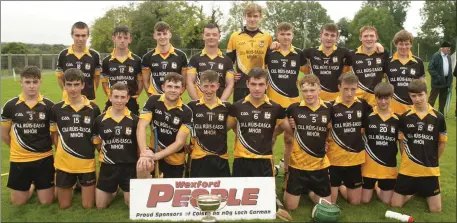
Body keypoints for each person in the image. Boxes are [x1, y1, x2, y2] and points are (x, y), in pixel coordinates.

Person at [1, 66, 55, 205]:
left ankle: (41, 184)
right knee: (18, 202)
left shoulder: (49, 106)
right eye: (28, 82)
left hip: (44, 158)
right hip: (19, 160)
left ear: (40, 82)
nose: (32, 86)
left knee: (47, 202)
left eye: (35, 82)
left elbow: (54, 134)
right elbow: (4, 135)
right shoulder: (11, 105)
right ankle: (32, 185)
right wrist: (19, 149)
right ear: (21, 82)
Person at [391, 79, 447, 213]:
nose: (417, 99)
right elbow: (401, 142)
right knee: (395, 205)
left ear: (426, 94)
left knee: (436, 210)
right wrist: (406, 158)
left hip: (429, 170)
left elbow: (442, 143)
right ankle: (413, 191)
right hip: (408, 169)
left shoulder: (438, 117)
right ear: (409, 96)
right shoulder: (404, 117)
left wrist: (434, 160)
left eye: (420, 95)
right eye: (413, 96)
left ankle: (420, 190)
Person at [227, 67, 293, 177]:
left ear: (267, 85)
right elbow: (223, 129)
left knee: (265, 194)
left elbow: (291, 131)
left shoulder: (276, 108)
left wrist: (273, 133)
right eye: (253, 84)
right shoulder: (237, 107)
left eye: (261, 84)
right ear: (247, 84)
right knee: (240, 194)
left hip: (264, 161)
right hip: (241, 160)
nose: (257, 88)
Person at [50, 68, 101, 209]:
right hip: (63, 164)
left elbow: (96, 137)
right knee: (64, 206)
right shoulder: (56, 109)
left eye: (76, 84)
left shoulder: (93, 109)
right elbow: (54, 136)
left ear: (83, 85)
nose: (73, 89)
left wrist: (102, 155)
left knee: (88, 206)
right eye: (69, 84)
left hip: (86, 164)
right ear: (64, 85)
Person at [265, 21, 306, 184]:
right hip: (273, 105)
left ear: (292, 36)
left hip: (292, 104)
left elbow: (309, 72)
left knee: (290, 139)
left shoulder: (299, 54)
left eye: (288, 34)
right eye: (282, 34)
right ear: (277, 35)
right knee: (270, 138)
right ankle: (269, 170)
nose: (285, 37)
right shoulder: (270, 53)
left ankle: (288, 170)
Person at [283, 74, 332, 210]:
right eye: (305, 91)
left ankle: (310, 191)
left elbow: (330, 130)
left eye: (312, 90)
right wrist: (290, 125)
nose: (309, 94)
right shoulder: (293, 108)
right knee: (291, 207)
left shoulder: (328, 108)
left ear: (319, 90)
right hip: (298, 166)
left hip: (319, 166)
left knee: (327, 206)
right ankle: (290, 183)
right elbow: (283, 125)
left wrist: (326, 142)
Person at [327, 71, 371, 205]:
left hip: (354, 159)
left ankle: (342, 186)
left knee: (355, 202)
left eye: (353, 89)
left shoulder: (363, 105)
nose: (349, 93)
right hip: (334, 159)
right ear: (339, 87)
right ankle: (337, 185)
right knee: (331, 203)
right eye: (346, 89)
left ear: (357, 88)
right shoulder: (330, 106)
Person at [136, 73, 192, 178]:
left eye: (177, 87)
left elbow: (180, 143)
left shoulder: (186, 111)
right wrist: (144, 153)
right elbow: (141, 127)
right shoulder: (153, 101)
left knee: (172, 191)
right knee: (142, 165)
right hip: (154, 149)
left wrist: (156, 156)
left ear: (182, 90)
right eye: (169, 86)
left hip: (174, 158)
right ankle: (145, 191)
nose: (173, 90)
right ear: (163, 87)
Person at [93, 83, 139, 208]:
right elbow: (98, 143)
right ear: (110, 97)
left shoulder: (135, 120)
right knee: (100, 206)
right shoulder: (100, 120)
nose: (119, 100)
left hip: (128, 167)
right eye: (116, 96)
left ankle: (123, 189)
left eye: (122, 97)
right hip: (108, 166)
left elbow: (139, 145)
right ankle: (114, 190)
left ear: (128, 98)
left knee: (131, 205)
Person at [185, 70, 232, 177]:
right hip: (198, 157)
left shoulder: (227, 107)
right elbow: (180, 126)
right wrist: (183, 144)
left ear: (218, 86)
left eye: (212, 86)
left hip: (221, 157)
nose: (209, 90)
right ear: (200, 86)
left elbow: (235, 127)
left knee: (222, 191)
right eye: (205, 86)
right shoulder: (192, 106)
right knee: (197, 192)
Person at [361, 82, 400, 204]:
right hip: (368, 167)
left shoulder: (398, 119)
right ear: (375, 97)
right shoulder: (367, 116)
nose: (383, 102)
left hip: (388, 167)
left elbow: (402, 143)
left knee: (386, 201)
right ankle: (373, 185)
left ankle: (377, 187)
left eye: (386, 98)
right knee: (365, 200)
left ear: (391, 98)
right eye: (380, 98)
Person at [226, 3, 273, 103]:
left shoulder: (267, 37)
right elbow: (228, 61)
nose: (252, 19)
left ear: (260, 16)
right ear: (244, 17)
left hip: (259, 84)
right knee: (239, 114)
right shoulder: (235, 36)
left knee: (260, 115)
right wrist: (231, 73)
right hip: (241, 83)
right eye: (249, 16)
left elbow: (269, 62)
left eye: (255, 16)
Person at [302, 23, 352, 102]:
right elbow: (291, 52)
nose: (329, 38)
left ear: (337, 37)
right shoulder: (310, 52)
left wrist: (377, 45)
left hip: (337, 99)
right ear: (321, 35)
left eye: (332, 35)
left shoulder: (344, 53)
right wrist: (276, 44)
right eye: (326, 34)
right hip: (316, 99)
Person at [187, 23, 235, 101]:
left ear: (219, 36)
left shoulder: (227, 60)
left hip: (219, 105)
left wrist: (221, 103)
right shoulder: (194, 59)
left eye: (214, 34)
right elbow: (189, 82)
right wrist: (197, 102)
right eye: (208, 34)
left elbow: (230, 85)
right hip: (199, 105)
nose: (211, 37)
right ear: (203, 36)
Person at [101, 26, 143, 115]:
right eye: (119, 37)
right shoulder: (106, 61)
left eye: (125, 37)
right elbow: (104, 83)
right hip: (113, 101)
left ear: (130, 39)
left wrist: (133, 95)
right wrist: (111, 96)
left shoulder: (137, 60)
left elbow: (140, 82)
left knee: (133, 127)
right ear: (114, 39)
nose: (122, 40)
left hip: (131, 102)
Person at [56, 21, 102, 102]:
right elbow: (60, 78)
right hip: (68, 100)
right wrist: (67, 90)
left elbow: (96, 79)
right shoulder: (63, 54)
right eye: (77, 35)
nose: (80, 39)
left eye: (83, 35)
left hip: (89, 100)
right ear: (72, 35)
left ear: (88, 36)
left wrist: (90, 91)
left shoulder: (95, 55)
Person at [141, 22, 188, 96]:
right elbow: (145, 82)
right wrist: (152, 97)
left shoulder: (181, 56)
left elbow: (184, 81)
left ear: (170, 35)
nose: (162, 37)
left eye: (165, 33)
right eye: (159, 34)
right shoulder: (147, 57)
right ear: (154, 36)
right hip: (155, 98)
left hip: (175, 99)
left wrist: (175, 96)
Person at [385, 30, 425, 115]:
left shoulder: (418, 62)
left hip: (413, 107)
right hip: (393, 108)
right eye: (401, 44)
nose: (404, 47)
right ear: (396, 44)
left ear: (411, 44)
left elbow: (422, 87)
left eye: (407, 44)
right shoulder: (387, 62)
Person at [351, 25, 389, 107]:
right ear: (360, 38)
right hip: (357, 101)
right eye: (365, 36)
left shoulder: (383, 54)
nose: (369, 39)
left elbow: (386, 76)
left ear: (376, 37)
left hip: (377, 101)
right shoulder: (352, 55)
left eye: (372, 36)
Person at [428, 41, 453, 114]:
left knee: (443, 100)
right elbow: (430, 68)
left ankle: (440, 114)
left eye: (449, 48)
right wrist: (438, 77)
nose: (449, 49)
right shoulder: (436, 56)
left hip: (446, 82)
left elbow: (450, 70)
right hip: (437, 82)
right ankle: (429, 112)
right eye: (447, 48)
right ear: (442, 48)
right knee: (432, 99)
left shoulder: (448, 57)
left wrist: (450, 81)